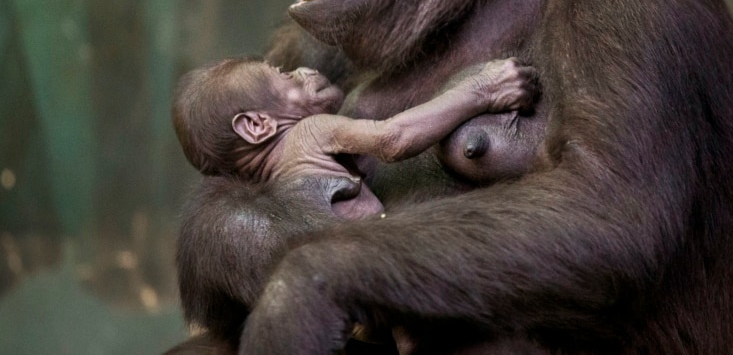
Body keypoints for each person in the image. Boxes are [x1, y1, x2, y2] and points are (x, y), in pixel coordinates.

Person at [172, 57, 537, 219]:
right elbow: (393, 138)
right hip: (387, 260)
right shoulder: (309, 133)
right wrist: (484, 89)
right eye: (285, 76)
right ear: (256, 126)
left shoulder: (276, 198)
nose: (302, 70)